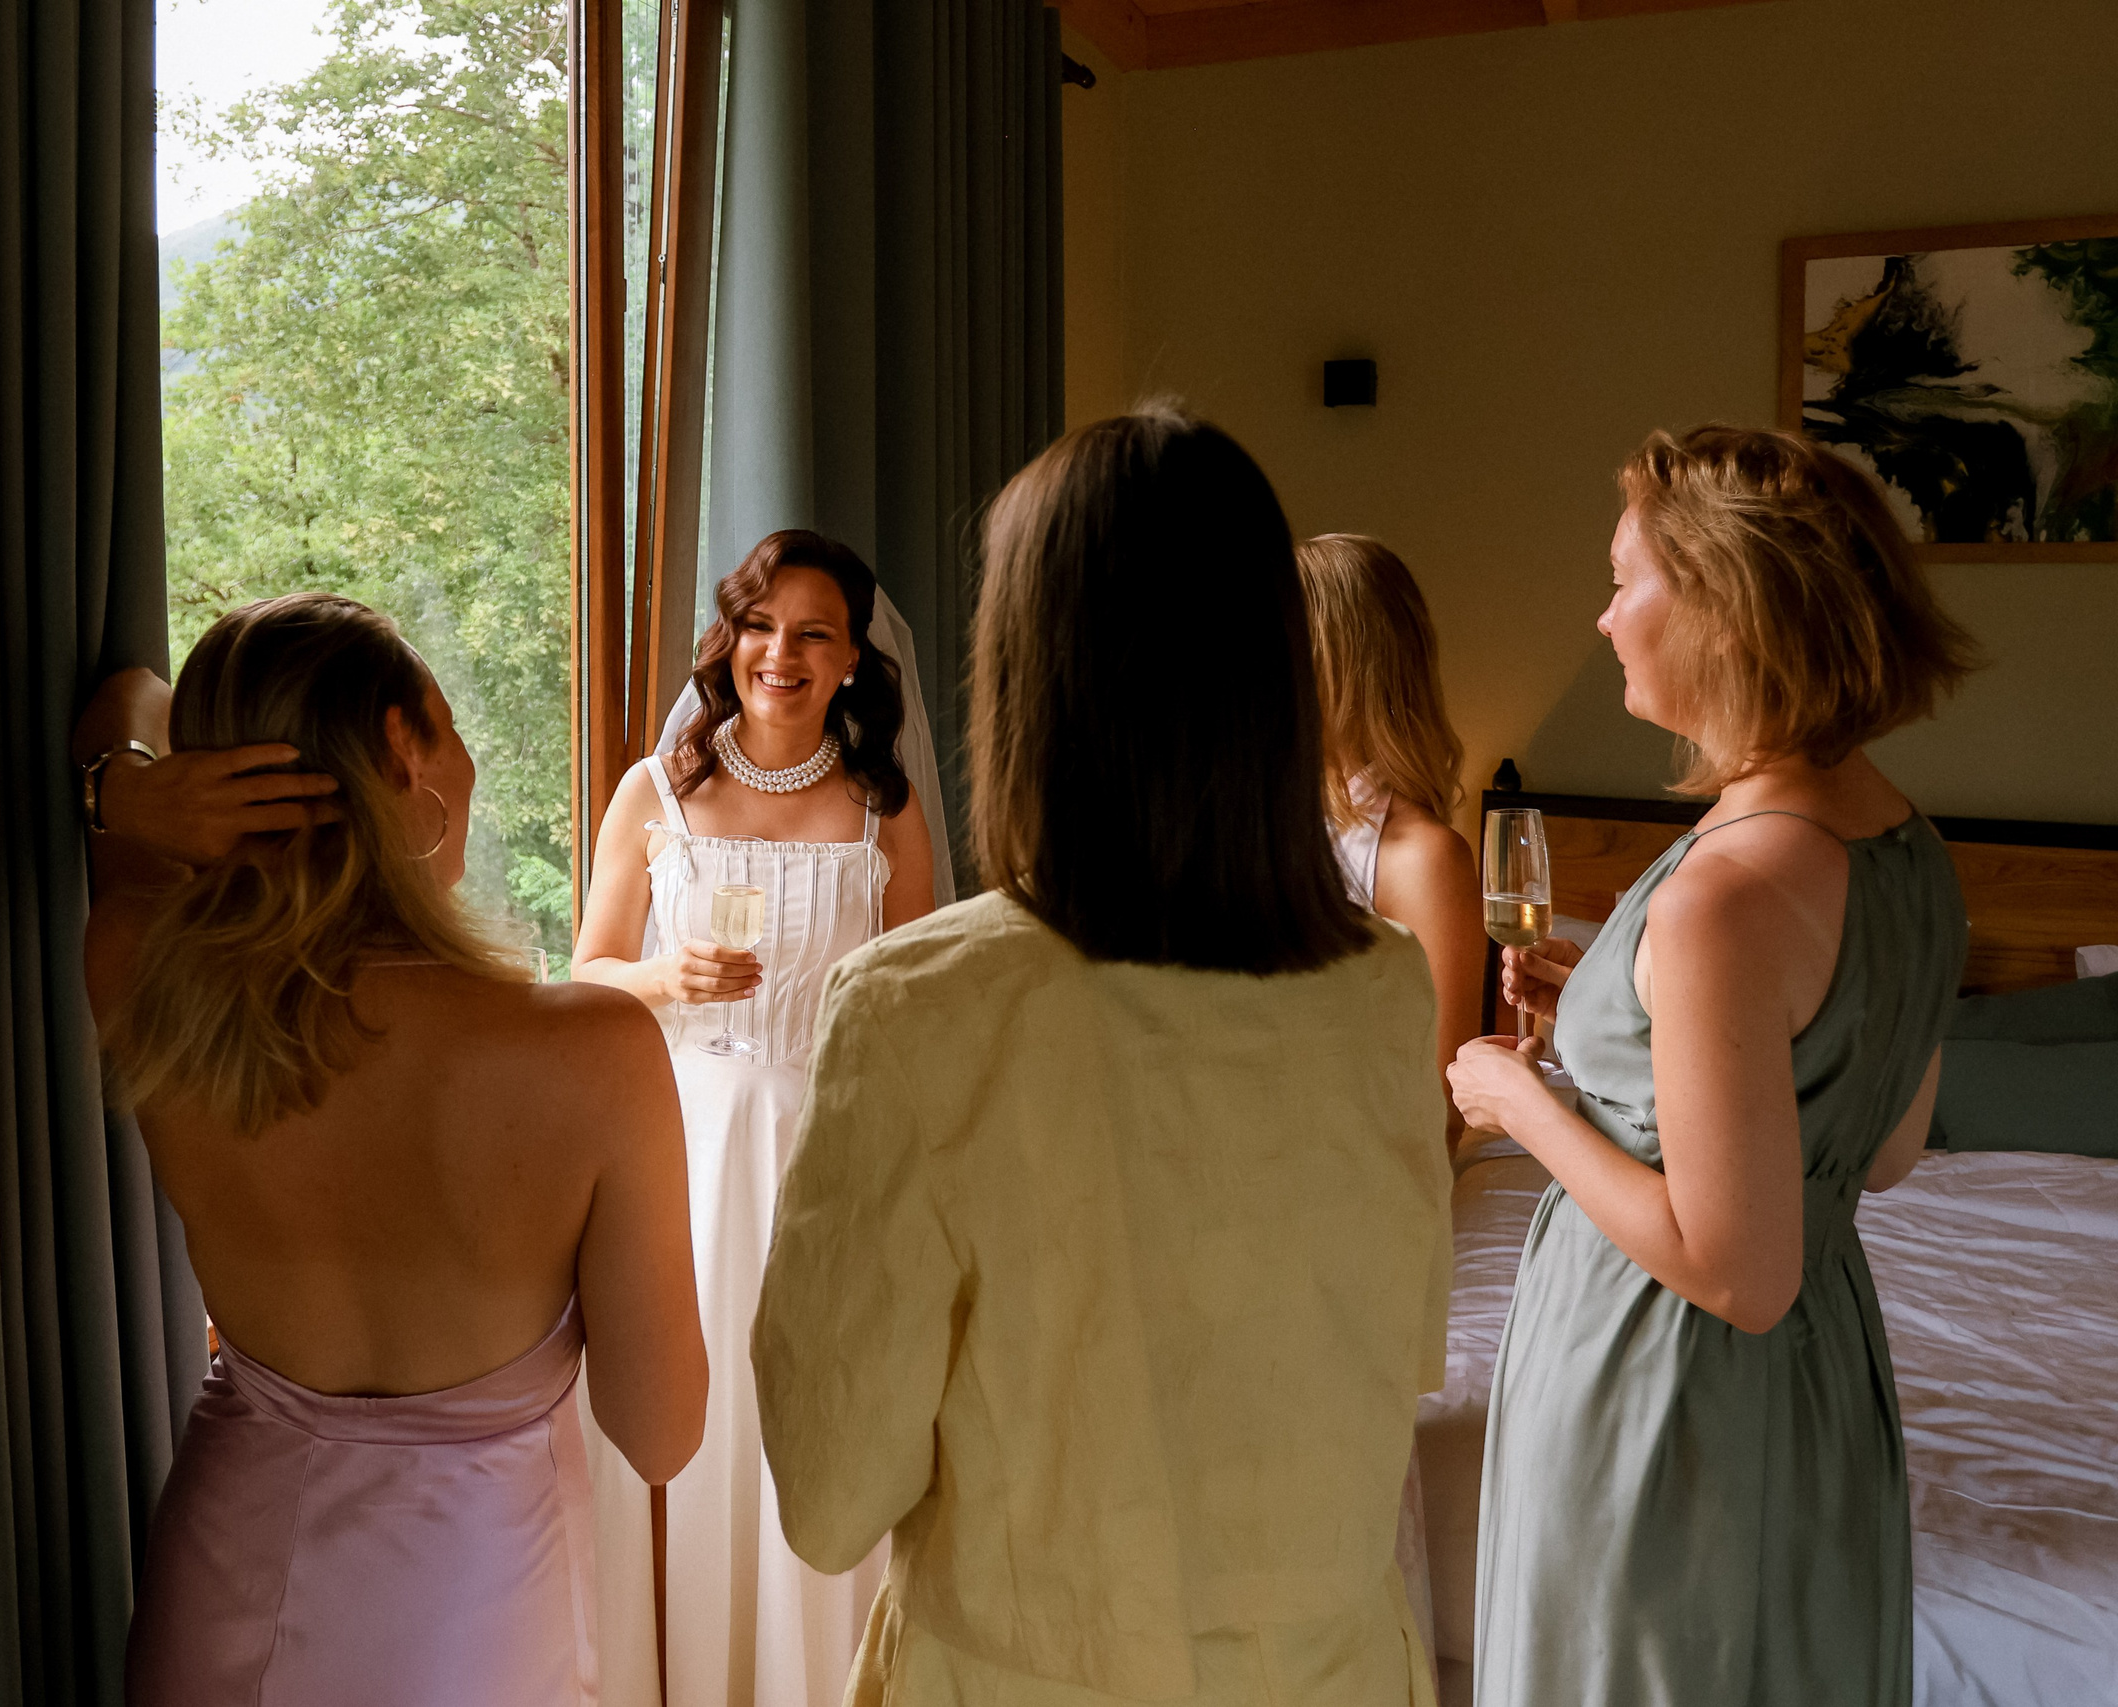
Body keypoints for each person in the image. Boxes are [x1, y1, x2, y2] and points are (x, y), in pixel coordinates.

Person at [750, 406, 1455, 1705]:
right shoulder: (1381, 989)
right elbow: (1404, 1352)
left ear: (1027, 682)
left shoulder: (921, 1011)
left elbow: (833, 1492)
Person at [75, 593, 706, 1706]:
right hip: (473, 1625)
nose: (468, 767)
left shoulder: (150, 981)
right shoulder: (595, 1049)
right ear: (403, 746)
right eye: (450, 728)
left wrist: (125, 793)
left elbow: (127, 701)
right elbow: (658, 1436)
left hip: (222, 1591)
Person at [1450, 426, 1979, 1707]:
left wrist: (1524, 1101)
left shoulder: (1723, 894)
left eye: (1623, 582)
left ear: (1724, 613)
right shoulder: (1906, 845)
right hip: (1817, 1388)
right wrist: (1630, 1029)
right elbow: (1881, 1149)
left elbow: (1736, 1273)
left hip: (1661, 1397)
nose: (1602, 618)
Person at [572, 529, 938, 1707]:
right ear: (728, 640)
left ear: (851, 661)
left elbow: (920, 1006)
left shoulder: (883, 811)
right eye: (759, 626)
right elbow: (587, 973)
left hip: (827, 1163)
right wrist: (667, 977)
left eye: (812, 634)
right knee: (687, 1424)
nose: (779, 653)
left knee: (805, 1429)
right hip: (676, 1157)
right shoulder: (654, 792)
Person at [1295, 531, 1485, 1691]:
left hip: (1347, 1208)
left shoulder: (1418, 856)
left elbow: (1439, 1094)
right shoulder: (1242, 824)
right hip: (1225, 1188)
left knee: (1331, 1491)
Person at [1297, 533, 1486, 1152]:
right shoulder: (1259, 823)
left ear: (1333, 664)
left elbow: (1440, 1108)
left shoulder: (1421, 859)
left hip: (1337, 1170)